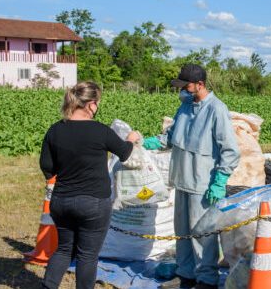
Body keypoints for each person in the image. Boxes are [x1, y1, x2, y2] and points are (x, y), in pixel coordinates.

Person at [145, 64, 240, 289]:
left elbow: (230, 150)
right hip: (181, 180)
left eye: (186, 86)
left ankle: (206, 279)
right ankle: (185, 274)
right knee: (183, 233)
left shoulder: (216, 110)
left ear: (200, 85)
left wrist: (220, 181)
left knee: (202, 234)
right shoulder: (185, 107)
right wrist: (149, 142)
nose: (183, 91)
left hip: (203, 184)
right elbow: (170, 136)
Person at [39, 81, 142, 289]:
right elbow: (124, 153)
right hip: (93, 203)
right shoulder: (100, 131)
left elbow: (48, 168)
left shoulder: (55, 130)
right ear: (91, 104)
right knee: (87, 255)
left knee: (63, 249)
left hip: (61, 201)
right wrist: (131, 139)